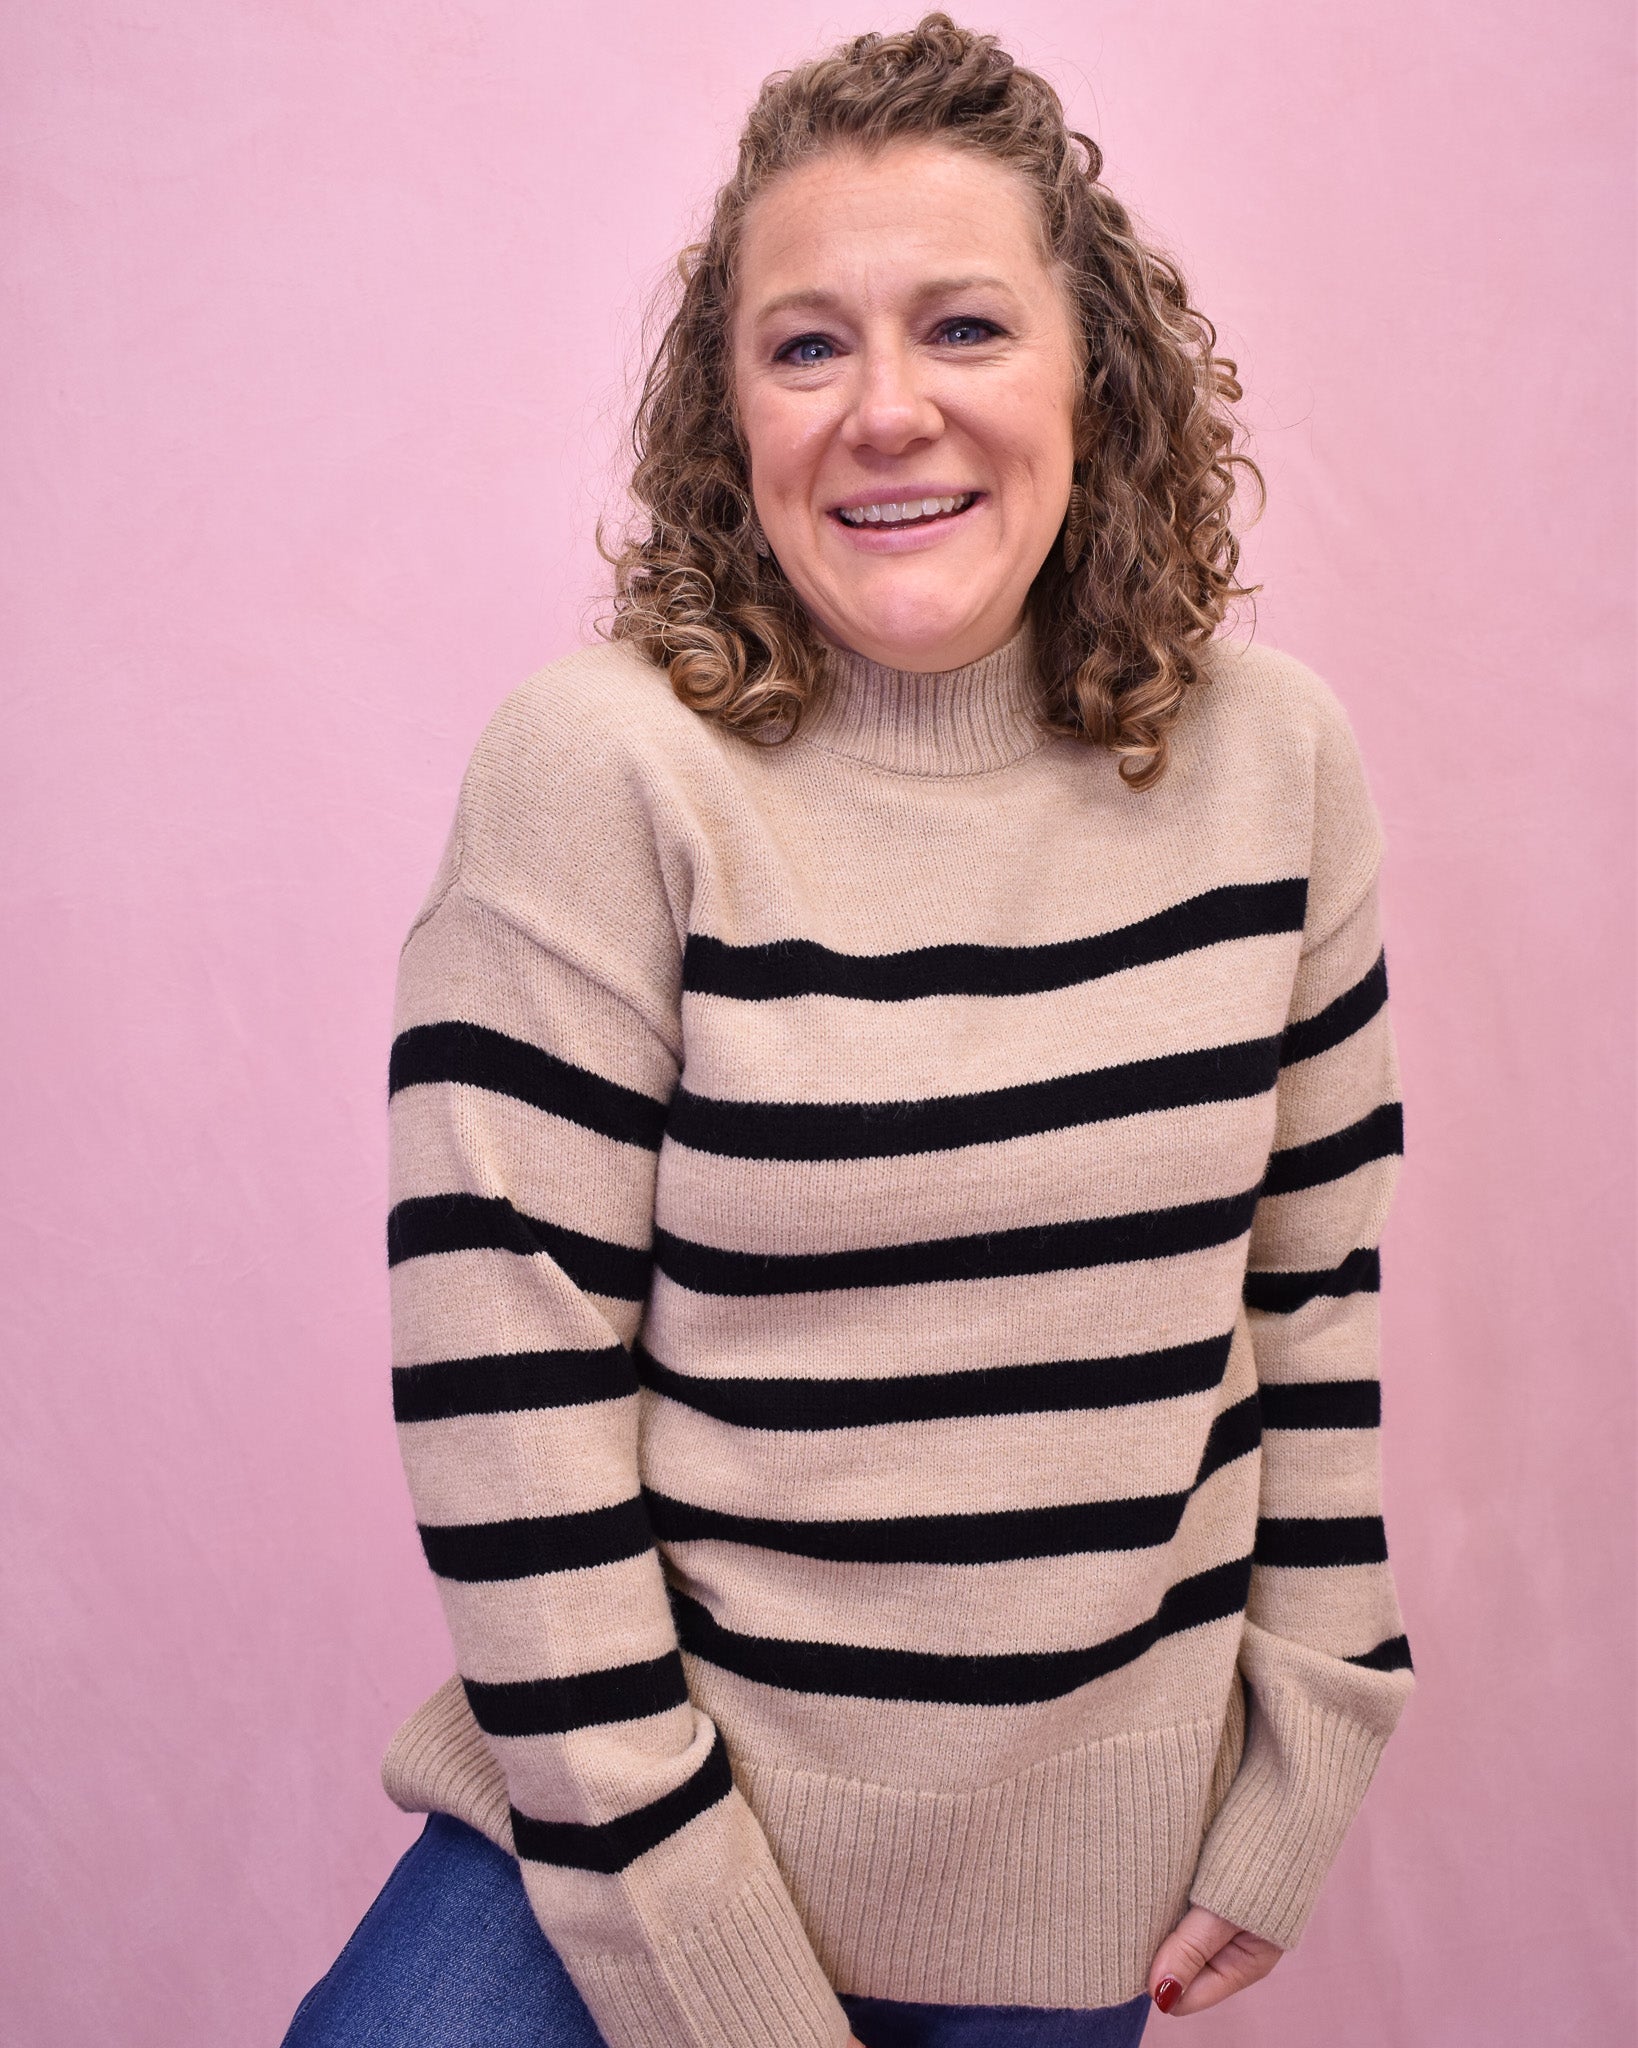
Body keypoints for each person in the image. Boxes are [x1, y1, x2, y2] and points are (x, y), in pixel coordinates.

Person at [282, 15, 1415, 2047]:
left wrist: (1310, 1745)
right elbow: (507, 1406)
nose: (887, 408)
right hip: (636, 1825)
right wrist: (705, 1948)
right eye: (807, 346)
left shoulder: (1281, 766)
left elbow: (1312, 1287)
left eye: (965, 327)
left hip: (1071, 1898)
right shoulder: (602, 769)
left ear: (1096, 379)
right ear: (730, 425)